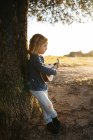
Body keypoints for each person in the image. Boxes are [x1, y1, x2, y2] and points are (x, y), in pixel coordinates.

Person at [27, 33, 61, 134]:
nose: (46, 48)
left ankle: (48, 123)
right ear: (37, 45)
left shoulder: (40, 57)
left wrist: (53, 66)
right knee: (48, 104)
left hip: (42, 85)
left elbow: (43, 67)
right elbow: (41, 68)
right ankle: (55, 118)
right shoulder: (33, 58)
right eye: (44, 45)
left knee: (44, 106)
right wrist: (54, 71)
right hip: (35, 87)